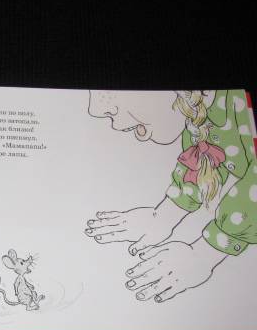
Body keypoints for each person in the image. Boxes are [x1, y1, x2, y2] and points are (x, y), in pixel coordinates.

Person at [85, 89, 256, 302]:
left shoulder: (237, 104)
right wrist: (165, 215)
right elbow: (200, 158)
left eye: (112, 102)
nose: (115, 123)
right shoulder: (199, 115)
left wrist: (205, 253)